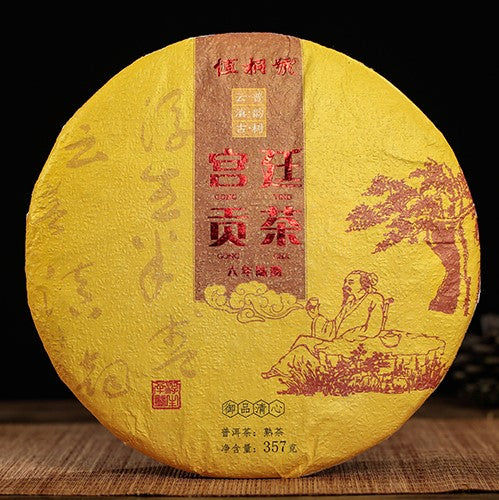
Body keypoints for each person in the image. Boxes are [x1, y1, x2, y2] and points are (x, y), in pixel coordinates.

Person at [261, 270, 444, 379]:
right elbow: (334, 328)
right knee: (303, 339)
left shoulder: (374, 298)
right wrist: (317, 317)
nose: (346, 285)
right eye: (345, 282)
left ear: (363, 284)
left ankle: (281, 370)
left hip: (357, 345)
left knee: (304, 346)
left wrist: (351, 336)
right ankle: (280, 369)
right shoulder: (349, 302)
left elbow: (373, 329)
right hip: (341, 341)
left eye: (350, 282)